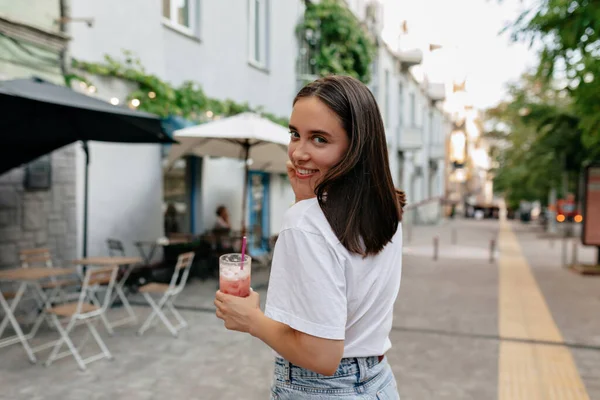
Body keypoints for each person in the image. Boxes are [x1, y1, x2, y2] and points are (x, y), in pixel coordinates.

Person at [214, 75, 406, 399]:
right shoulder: (387, 210)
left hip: (320, 389)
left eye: (319, 139)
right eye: (294, 134)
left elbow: (322, 356)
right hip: (377, 382)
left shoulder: (305, 223)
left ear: (355, 146)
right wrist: (306, 199)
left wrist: (251, 320)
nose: (298, 153)